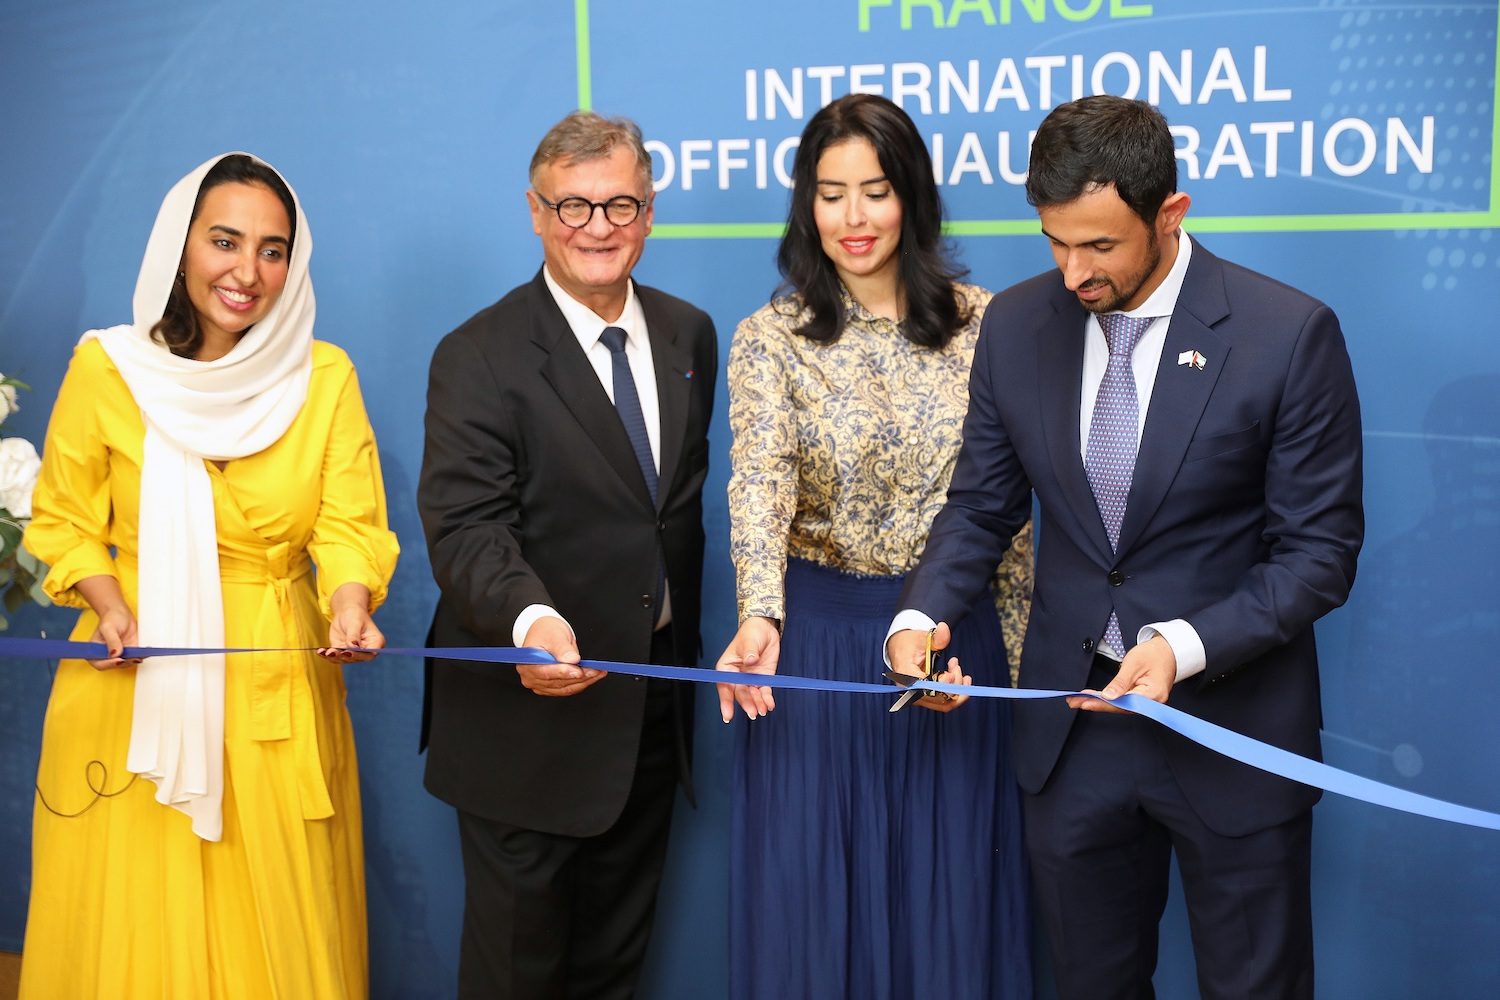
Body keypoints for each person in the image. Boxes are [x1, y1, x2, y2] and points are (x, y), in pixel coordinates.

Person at [887, 95, 1365, 999]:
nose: (1073, 272)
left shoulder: (1287, 335)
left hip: (1231, 730)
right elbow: (983, 506)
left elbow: (1318, 555)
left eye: (1099, 245)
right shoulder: (1017, 323)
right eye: (1055, 241)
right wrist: (922, 612)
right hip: (1071, 744)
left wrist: (1180, 648)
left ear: (1170, 214)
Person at [20, 153, 399, 999]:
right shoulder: (108, 369)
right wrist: (108, 603)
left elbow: (350, 524)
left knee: (274, 930)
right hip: (134, 679)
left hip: (274, 680)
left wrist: (348, 603)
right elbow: (65, 521)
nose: (247, 272)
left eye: (272, 250)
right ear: (179, 245)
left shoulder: (324, 375)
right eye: (225, 241)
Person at [714, 93, 1033, 1000]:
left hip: (951, 654)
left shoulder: (990, 325)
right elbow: (760, 482)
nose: (853, 218)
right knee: (815, 916)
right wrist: (758, 611)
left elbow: (1004, 513)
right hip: (814, 655)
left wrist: (1014, 671)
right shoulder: (769, 338)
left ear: (914, 198)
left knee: (952, 904)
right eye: (830, 193)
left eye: (877, 191)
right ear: (805, 207)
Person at [418, 110, 717, 999]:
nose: (599, 229)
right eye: (574, 208)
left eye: (620, 206)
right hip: (526, 725)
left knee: (614, 973)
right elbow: (468, 524)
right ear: (536, 212)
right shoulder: (478, 354)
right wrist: (530, 618)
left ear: (651, 211)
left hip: (650, 712)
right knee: (520, 976)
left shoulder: (689, 335)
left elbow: (668, 515)